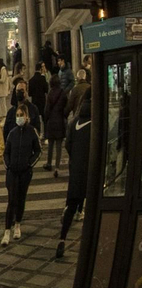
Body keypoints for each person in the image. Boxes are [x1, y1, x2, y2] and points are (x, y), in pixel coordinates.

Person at [55, 86, 91, 260]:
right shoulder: (96, 122)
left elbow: (68, 145)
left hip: (75, 169)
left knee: (71, 205)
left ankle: (62, 239)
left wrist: (75, 159)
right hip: (90, 172)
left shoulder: (75, 122)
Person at [2, 101, 41, 245]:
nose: (19, 117)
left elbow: (38, 151)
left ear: (26, 116)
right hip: (12, 172)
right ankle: (7, 231)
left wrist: (29, 164)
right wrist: (8, 165)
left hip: (25, 172)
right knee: (11, 200)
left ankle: (17, 224)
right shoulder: (12, 133)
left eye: (21, 115)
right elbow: (6, 152)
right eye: (17, 115)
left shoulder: (32, 132)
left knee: (21, 199)